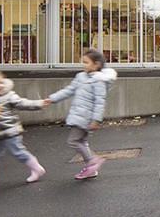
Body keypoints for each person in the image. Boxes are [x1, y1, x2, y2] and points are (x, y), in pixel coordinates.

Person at [45, 48, 117, 180]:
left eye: (86, 62)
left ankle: (92, 161)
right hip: (78, 115)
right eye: (82, 62)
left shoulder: (99, 80)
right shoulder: (80, 77)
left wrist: (96, 120)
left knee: (73, 141)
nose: (83, 65)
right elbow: (69, 90)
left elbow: (100, 102)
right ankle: (91, 169)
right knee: (82, 142)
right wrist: (53, 98)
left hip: (85, 117)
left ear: (97, 65)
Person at [0, 73, 48, 186]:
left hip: (11, 132)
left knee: (18, 152)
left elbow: (23, 103)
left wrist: (39, 104)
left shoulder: (9, 96)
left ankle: (37, 168)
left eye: (1, 83)